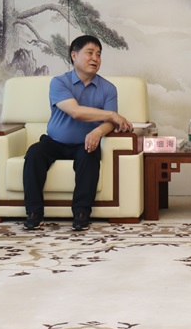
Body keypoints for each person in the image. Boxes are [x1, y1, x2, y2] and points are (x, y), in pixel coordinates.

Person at [23, 35, 133, 231]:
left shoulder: (108, 89)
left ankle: (81, 214)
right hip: (54, 142)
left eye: (98, 54)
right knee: (34, 153)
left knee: (89, 157)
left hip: (85, 143)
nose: (95, 58)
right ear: (74, 55)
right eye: (90, 53)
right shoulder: (59, 82)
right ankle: (34, 213)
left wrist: (98, 131)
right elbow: (75, 111)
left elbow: (111, 124)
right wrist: (112, 114)